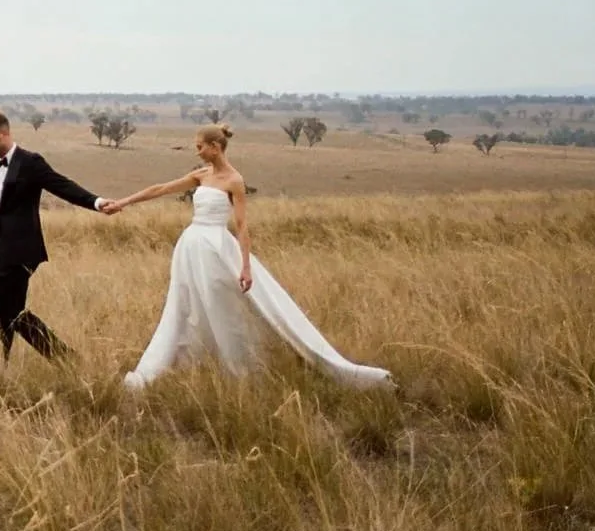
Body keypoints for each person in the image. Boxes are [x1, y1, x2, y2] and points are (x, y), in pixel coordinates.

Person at [109, 123, 391, 390]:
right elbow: (160, 189)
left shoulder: (234, 181)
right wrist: (123, 202)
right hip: (191, 245)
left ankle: (247, 361)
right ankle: (190, 360)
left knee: (223, 302)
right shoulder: (202, 174)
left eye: (200, 146)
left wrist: (245, 266)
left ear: (215, 147)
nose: (197, 152)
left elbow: (242, 225)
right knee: (186, 303)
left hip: (217, 247)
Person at [0, 110, 115, 361]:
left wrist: (96, 202)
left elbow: (61, 185)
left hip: (23, 250)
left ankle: (59, 358)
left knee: (6, 309)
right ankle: (11, 360)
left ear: (4, 134)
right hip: (0, 252)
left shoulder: (30, 162)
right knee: (5, 311)